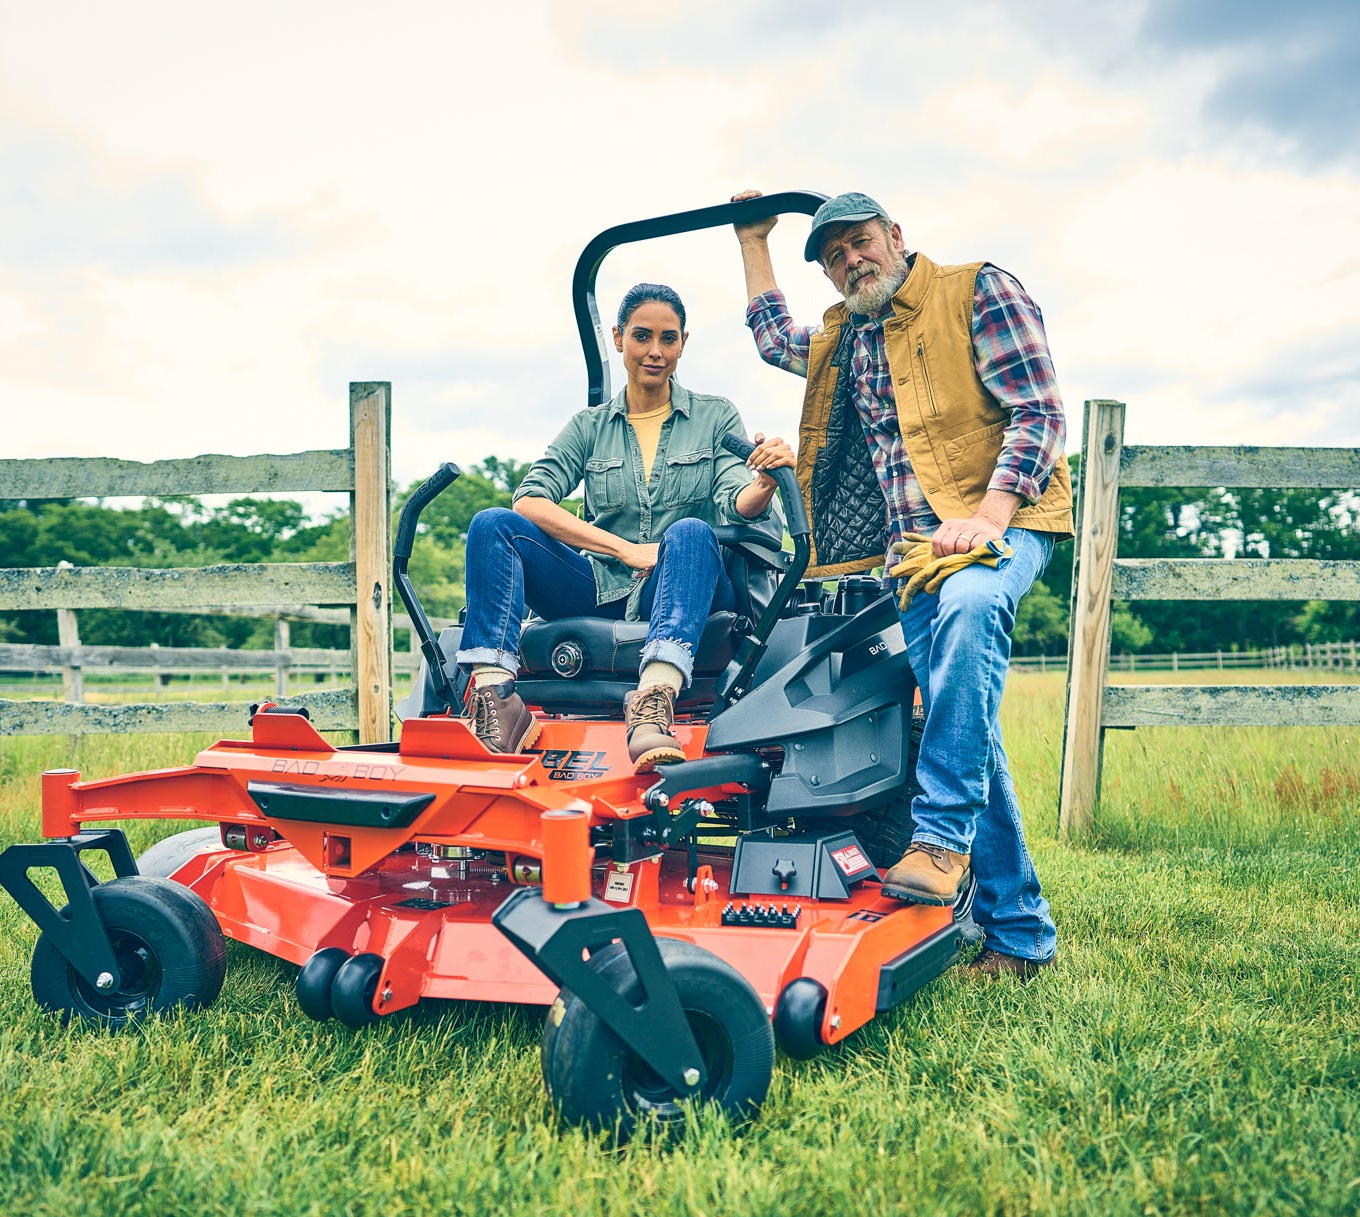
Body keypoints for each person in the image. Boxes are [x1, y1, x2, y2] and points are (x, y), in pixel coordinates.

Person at [730, 191, 1072, 980]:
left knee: (975, 600)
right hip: (914, 554)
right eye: (834, 255)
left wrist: (988, 517)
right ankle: (1021, 937)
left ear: (895, 236)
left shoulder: (977, 290)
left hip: (1005, 522)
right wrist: (754, 240)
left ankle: (942, 836)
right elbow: (776, 339)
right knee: (968, 723)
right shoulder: (847, 335)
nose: (852, 260)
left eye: (861, 242)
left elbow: (1039, 412)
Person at [456, 282, 795, 767]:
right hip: (599, 584)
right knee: (493, 524)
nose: (655, 352)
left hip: (681, 581)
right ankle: (496, 700)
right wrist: (623, 549)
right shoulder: (589, 426)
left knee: (691, 532)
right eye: (642, 337)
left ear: (682, 343)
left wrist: (764, 483)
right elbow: (530, 500)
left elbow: (734, 499)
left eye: (668, 339)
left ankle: (653, 701)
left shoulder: (715, 416)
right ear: (618, 338)